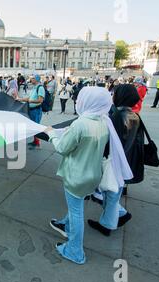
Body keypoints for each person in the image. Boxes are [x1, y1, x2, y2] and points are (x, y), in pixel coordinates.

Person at [47, 87, 132, 265]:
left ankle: (75, 251)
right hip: (93, 175)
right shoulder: (103, 121)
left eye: (80, 99)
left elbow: (62, 148)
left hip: (76, 176)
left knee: (76, 211)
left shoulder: (81, 123)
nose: (78, 101)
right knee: (76, 207)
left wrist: (51, 134)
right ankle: (66, 225)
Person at [87, 84, 143, 237]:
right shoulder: (133, 115)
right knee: (113, 193)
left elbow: (109, 140)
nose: (112, 96)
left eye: (115, 94)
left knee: (110, 194)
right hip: (124, 160)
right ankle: (121, 214)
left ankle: (107, 225)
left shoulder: (118, 116)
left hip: (114, 161)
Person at [18, 75, 45, 150]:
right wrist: (20, 99)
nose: (31, 79)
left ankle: (38, 144)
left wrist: (31, 101)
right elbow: (29, 98)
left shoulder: (40, 88)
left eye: (32, 78)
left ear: (36, 79)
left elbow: (40, 100)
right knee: (33, 126)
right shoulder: (34, 87)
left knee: (36, 126)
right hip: (31, 110)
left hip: (36, 110)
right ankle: (35, 141)